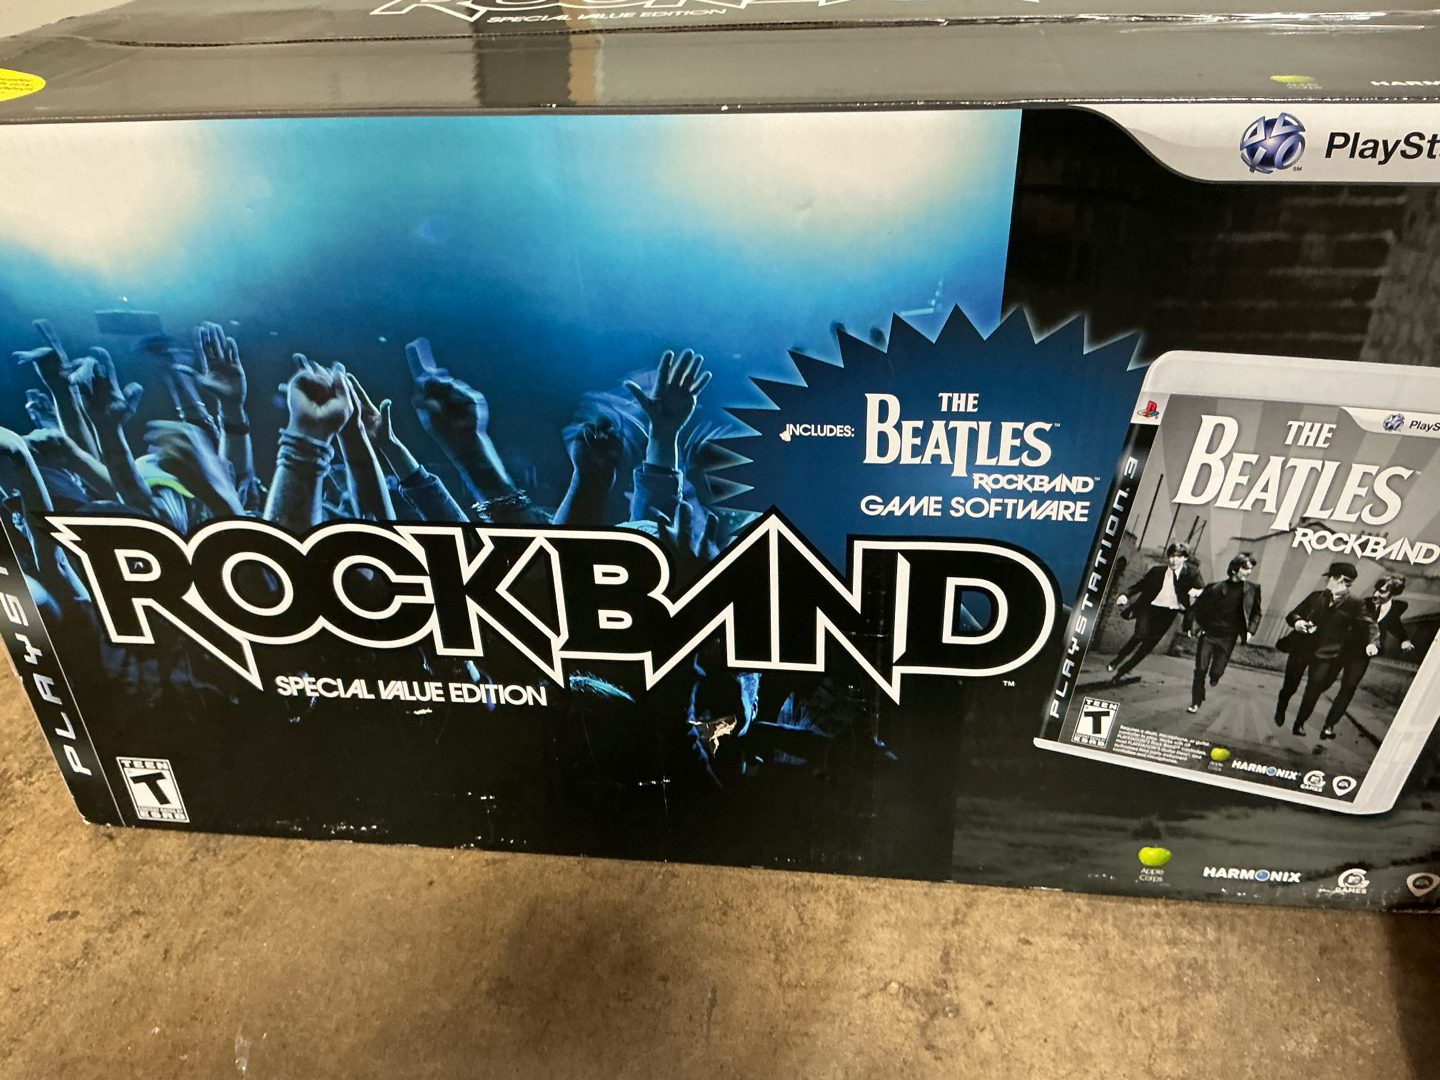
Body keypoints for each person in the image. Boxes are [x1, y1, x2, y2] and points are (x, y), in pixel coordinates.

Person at [1274, 561, 1380, 739]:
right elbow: (1293, 614)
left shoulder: (1355, 604)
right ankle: (1281, 707)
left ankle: (1299, 723)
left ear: (1340, 579)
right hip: (1301, 649)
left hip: (1326, 654)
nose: (1326, 580)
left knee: (1314, 689)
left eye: (1330, 577)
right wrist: (1298, 622)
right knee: (1290, 685)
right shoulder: (1316, 597)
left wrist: (1372, 643)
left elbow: (1370, 625)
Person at [1312, 574, 1415, 736]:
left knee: (1349, 688)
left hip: (1362, 657)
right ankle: (1307, 706)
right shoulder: (1363, 604)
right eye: (1376, 589)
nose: (1376, 594)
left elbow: (1396, 624)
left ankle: (1329, 725)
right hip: (1344, 649)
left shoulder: (1396, 608)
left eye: (1382, 591)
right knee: (1324, 682)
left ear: (1393, 594)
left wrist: (1404, 640)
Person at [1107, 543, 1203, 682]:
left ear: (1185, 558)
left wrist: (1196, 592)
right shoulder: (1157, 571)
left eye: (1178, 557)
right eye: (1171, 556)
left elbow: (1201, 589)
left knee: (1147, 646)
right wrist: (1125, 595)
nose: (1173, 560)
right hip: (1149, 608)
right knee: (1139, 635)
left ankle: (1122, 672)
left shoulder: (1191, 573)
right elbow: (1140, 585)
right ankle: (1117, 659)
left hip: (1169, 613)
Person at [1185, 553, 1261, 713]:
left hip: (1228, 638)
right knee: (1200, 669)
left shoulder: (1252, 590)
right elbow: (1198, 608)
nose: (1248, 572)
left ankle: (1215, 676)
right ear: (1234, 569)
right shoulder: (1215, 588)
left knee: (1216, 672)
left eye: (1250, 569)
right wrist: (1192, 627)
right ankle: (1196, 701)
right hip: (1209, 634)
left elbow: (1256, 613)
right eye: (1245, 568)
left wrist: (1250, 631)